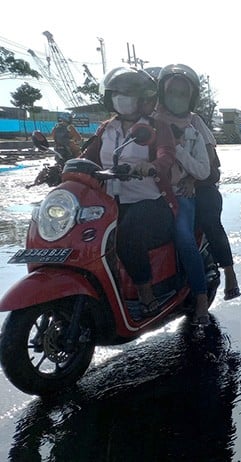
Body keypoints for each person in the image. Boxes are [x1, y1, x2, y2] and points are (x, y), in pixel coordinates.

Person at [81, 66, 177, 318]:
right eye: (117, 93)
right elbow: (87, 158)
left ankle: (146, 294)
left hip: (150, 203)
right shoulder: (105, 129)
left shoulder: (156, 127)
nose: (121, 98)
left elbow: (166, 154)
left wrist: (151, 166)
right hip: (109, 204)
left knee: (127, 233)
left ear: (144, 98)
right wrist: (63, 167)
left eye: (128, 94)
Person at [154, 63, 214, 326]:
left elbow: (207, 166)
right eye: (171, 92)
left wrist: (186, 168)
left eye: (182, 93)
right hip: (147, 194)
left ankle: (200, 297)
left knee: (184, 238)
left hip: (180, 194)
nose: (176, 98)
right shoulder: (147, 122)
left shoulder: (193, 128)